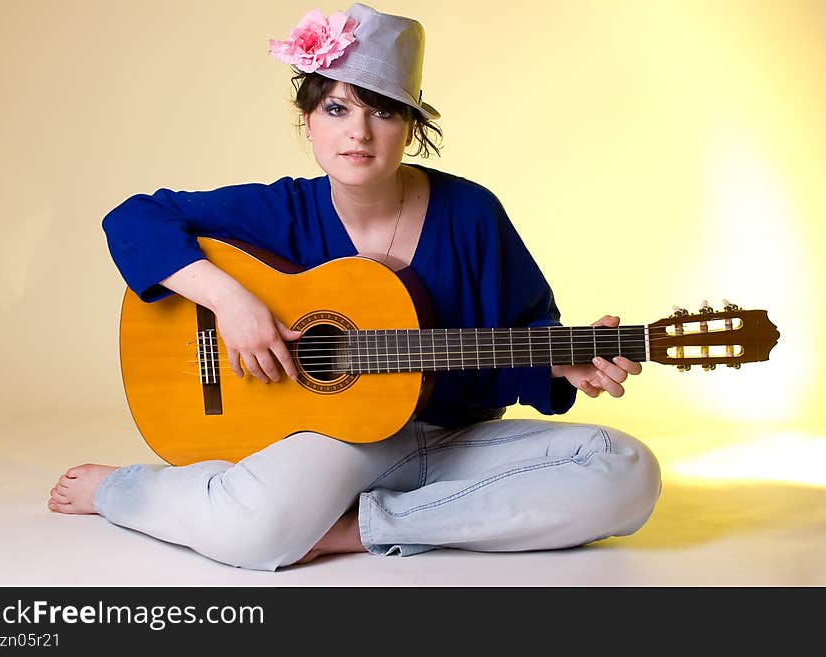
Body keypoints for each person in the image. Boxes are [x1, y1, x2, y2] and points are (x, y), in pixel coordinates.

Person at [48, 3, 661, 571]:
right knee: (252, 534)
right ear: (308, 121)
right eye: (337, 109)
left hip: (457, 440)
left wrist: (560, 363)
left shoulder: (472, 213)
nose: (359, 133)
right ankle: (123, 488)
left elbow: (523, 333)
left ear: (412, 125)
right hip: (334, 442)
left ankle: (355, 530)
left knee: (626, 471)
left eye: (383, 110)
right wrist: (232, 302)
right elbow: (133, 219)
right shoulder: (284, 210)